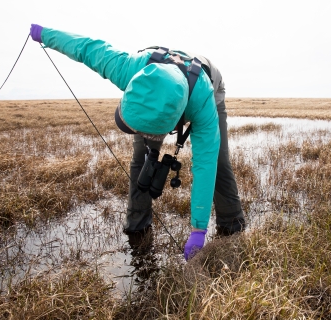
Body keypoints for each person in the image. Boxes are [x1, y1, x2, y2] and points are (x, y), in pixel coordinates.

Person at [29, 24, 245, 260]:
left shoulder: (203, 103)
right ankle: (137, 225)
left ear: (171, 127)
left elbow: (205, 164)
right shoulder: (130, 68)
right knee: (141, 159)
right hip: (157, 88)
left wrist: (198, 230)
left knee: (220, 163)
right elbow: (87, 48)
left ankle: (232, 226)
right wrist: (45, 35)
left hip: (209, 86)